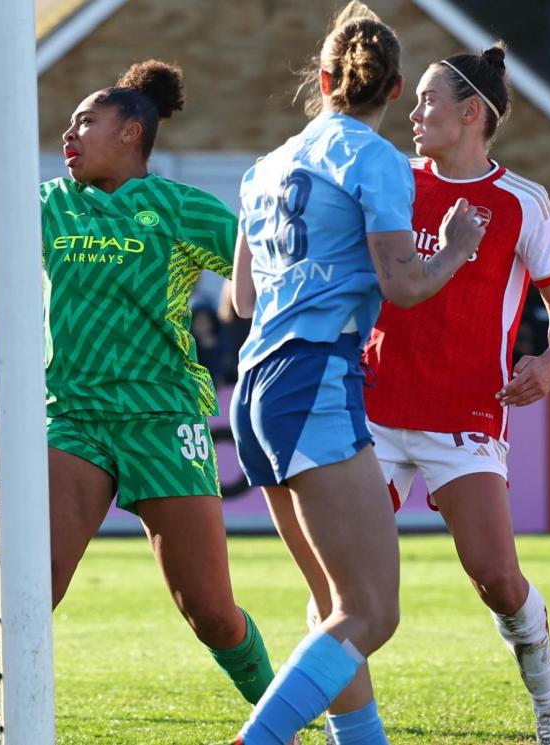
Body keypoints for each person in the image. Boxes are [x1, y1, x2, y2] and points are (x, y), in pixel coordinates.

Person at [0, 58, 282, 744]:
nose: (69, 132)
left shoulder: (183, 209)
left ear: (131, 132)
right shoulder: (43, 202)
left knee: (210, 611)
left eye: (85, 121)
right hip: (69, 420)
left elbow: (266, 268)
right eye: (68, 123)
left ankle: (284, 713)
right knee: (29, 597)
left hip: (165, 418)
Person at [227, 4, 485, 743]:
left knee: (335, 602)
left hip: (254, 391)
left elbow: (243, 299)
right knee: (371, 612)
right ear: (396, 89)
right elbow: (403, 284)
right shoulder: (375, 160)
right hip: (313, 380)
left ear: (323, 78)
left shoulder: (263, 167)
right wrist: (457, 246)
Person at [313, 43, 550, 745]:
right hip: (374, 408)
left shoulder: (525, 204)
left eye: (428, 99)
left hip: (466, 413)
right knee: (342, 587)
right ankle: (328, 713)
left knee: (496, 578)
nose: (414, 110)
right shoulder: (391, 177)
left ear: (470, 114)